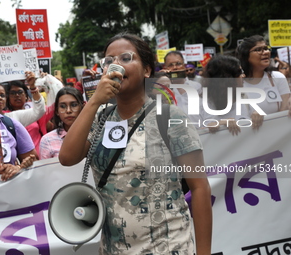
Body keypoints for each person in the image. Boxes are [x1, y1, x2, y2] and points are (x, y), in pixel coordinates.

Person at [59, 32, 212, 255]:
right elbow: (67, 158)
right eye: (109, 61)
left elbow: (199, 188)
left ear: (147, 70)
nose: (115, 66)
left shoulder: (170, 117)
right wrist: (93, 101)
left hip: (168, 247)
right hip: (114, 249)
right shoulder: (100, 117)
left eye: (126, 58)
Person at [236, 35, 291, 128]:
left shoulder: (277, 77)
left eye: (266, 48)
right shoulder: (237, 83)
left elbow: (284, 112)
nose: (265, 52)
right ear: (246, 56)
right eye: (258, 49)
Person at [200, 55, 251, 135]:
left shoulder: (244, 96)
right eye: (239, 73)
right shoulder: (203, 103)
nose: (243, 75)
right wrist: (221, 124)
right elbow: (203, 130)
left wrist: (257, 116)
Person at [5, 76, 54, 154]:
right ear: (7, 97)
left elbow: (48, 109)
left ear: (26, 95)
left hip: (40, 156)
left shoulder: (35, 112)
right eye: (13, 93)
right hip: (21, 159)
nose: (17, 95)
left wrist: (45, 79)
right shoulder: (5, 117)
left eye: (20, 92)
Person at [39, 87, 84, 159]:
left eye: (74, 105)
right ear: (57, 111)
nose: (68, 111)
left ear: (82, 107)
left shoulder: (95, 135)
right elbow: (46, 169)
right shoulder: (47, 140)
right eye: (63, 106)